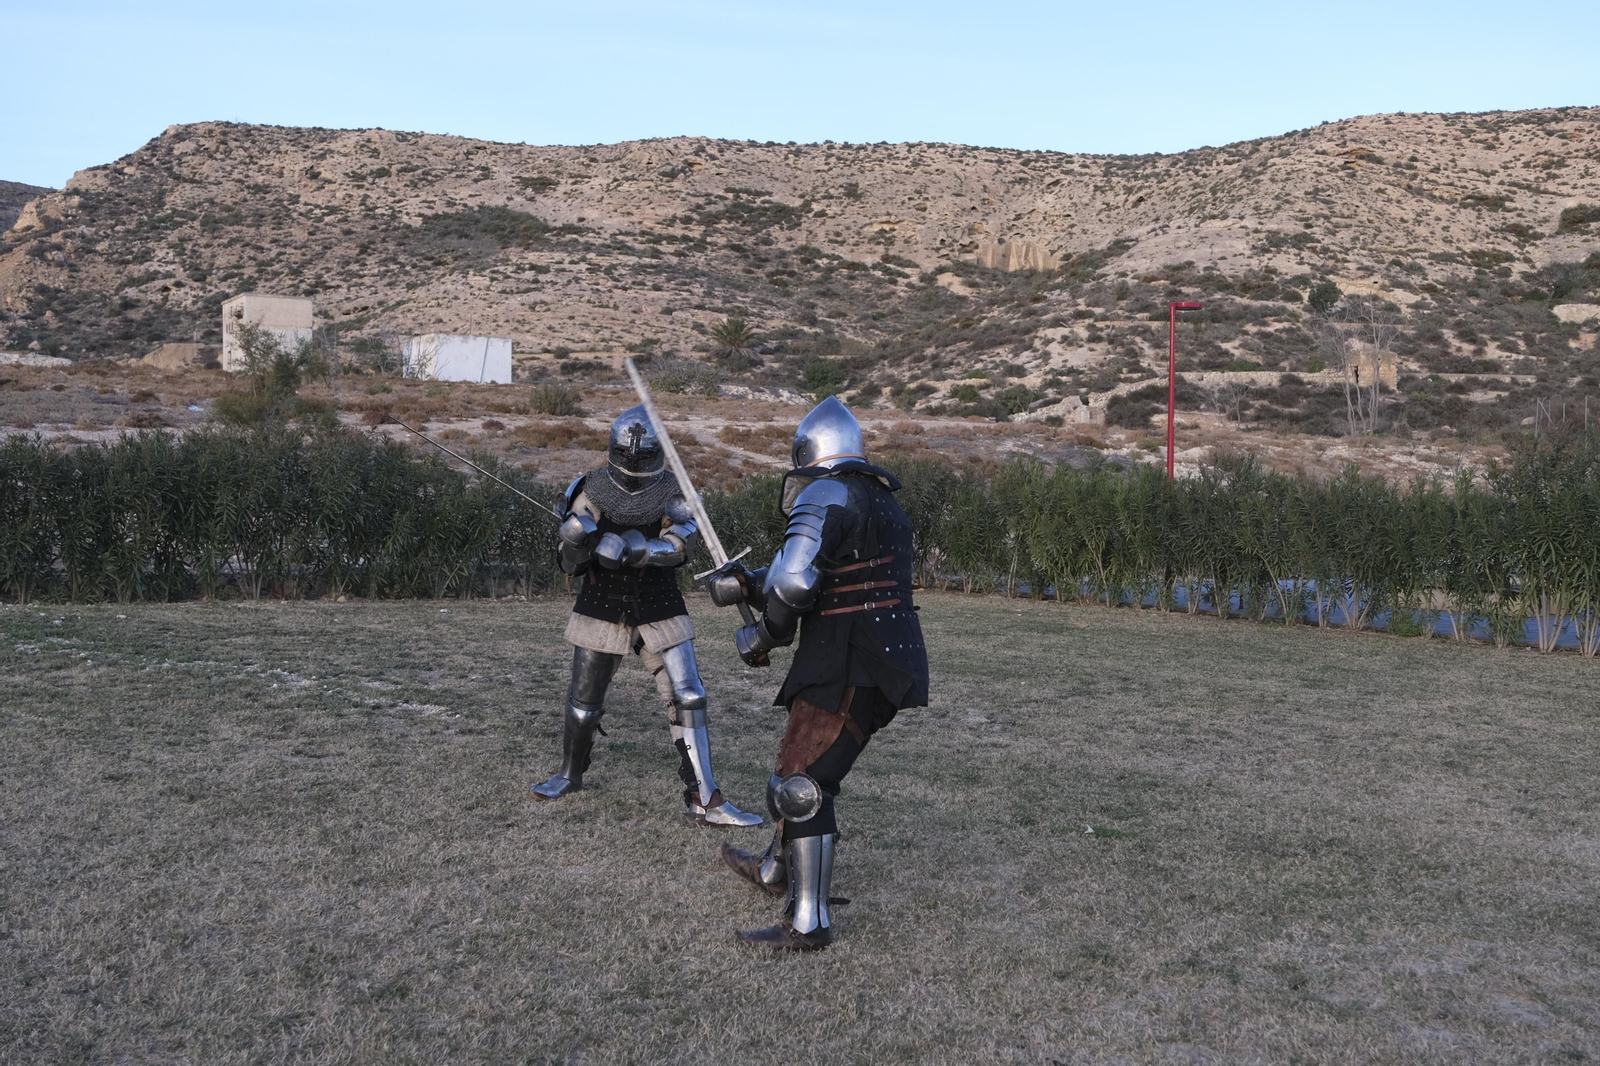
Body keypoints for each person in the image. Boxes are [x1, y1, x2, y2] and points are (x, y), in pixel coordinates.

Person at [709, 396, 929, 950]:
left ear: (809, 452)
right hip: (872, 654)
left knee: (803, 789)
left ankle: (808, 924)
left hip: (850, 659)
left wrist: (759, 636)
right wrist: (746, 583)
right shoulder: (880, 499)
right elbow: (827, 575)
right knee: (793, 766)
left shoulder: (826, 491)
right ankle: (775, 869)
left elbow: (797, 586)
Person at [530, 404, 761, 829]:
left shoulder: (675, 492)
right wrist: (577, 540)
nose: (634, 461)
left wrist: (635, 549)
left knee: (688, 695)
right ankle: (569, 774)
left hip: (658, 601)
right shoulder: (589, 487)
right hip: (601, 603)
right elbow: (568, 564)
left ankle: (704, 797)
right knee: (584, 705)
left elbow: (680, 545)